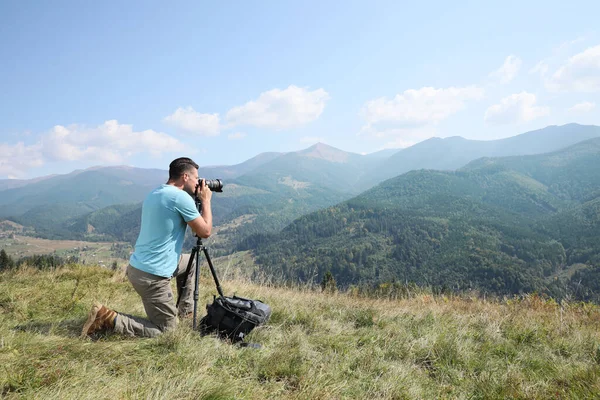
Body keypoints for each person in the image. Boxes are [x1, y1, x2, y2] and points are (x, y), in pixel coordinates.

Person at [81, 157, 213, 338]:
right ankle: (107, 318)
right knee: (167, 332)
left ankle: (186, 312)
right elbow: (205, 232)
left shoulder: (156, 192)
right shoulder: (179, 197)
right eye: (195, 178)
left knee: (190, 262)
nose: (198, 183)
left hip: (139, 267)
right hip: (153, 276)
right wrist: (205, 201)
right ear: (184, 176)